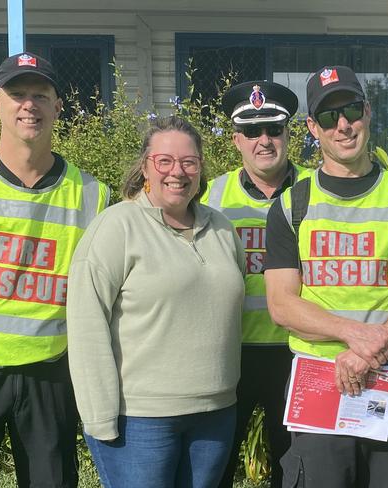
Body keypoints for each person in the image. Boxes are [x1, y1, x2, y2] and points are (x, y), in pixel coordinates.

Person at [264, 65, 388, 488]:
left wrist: (368, 350)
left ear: (367, 111)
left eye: (350, 110)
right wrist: (355, 335)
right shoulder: (293, 204)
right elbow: (282, 304)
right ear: (312, 127)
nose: (343, 125)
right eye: (328, 117)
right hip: (319, 382)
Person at [0, 52, 109, 487]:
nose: (28, 105)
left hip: (49, 371)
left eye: (40, 95)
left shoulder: (92, 195)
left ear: (58, 106)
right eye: (17, 94)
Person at [67, 115, 246, 488]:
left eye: (188, 162)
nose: (176, 172)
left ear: (200, 169)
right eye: (164, 161)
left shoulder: (222, 229)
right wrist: (99, 417)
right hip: (142, 420)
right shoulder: (117, 227)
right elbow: (87, 324)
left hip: (215, 415)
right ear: (145, 167)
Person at [202, 80, 309, 488]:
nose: (263, 140)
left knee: (296, 467)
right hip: (232, 353)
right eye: (252, 131)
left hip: (299, 352)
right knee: (215, 463)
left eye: (274, 129)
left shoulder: (318, 191)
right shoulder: (212, 197)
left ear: (288, 134)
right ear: (236, 140)